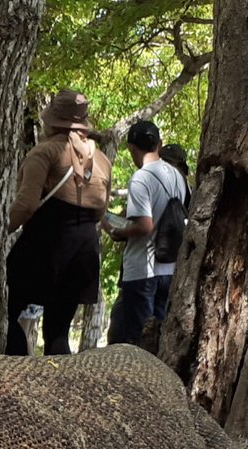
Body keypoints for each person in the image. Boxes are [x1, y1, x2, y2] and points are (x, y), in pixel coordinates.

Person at [5, 89, 112, 356]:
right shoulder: (102, 161)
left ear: (51, 122)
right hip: (85, 248)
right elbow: (100, 211)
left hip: (45, 244)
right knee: (58, 330)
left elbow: (27, 205)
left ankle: (15, 376)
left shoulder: (45, 153)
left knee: (6, 313)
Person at [103, 119, 188, 347]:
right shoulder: (178, 177)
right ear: (159, 144)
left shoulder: (142, 178)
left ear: (131, 147)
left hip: (142, 270)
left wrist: (116, 231)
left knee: (137, 343)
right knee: (157, 339)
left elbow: (144, 226)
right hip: (169, 270)